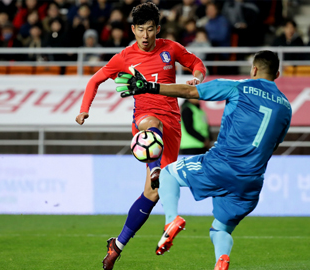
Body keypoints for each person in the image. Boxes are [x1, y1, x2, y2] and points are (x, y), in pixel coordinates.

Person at [115, 50, 291, 270]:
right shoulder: (286, 107)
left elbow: (189, 90)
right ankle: (221, 260)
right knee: (221, 229)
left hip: (221, 164)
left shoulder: (239, 87)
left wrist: (150, 87)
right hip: (251, 181)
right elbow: (274, 144)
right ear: (277, 73)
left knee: (168, 173)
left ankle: (171, 220)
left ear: (253, 69)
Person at [74, 2, 206, 270]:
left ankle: (118, 245)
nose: (145, 36)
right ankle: (155, 167)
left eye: (150, 30)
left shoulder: (171, 48)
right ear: (132, 29)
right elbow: (94, 81)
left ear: (157, 29)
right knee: (152, 126)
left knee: (153, 192)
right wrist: (84, 110)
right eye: (140, 30)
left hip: (172, 124)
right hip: (145, 120)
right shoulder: (124, 57)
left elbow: (196, 63)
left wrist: (197, 77)